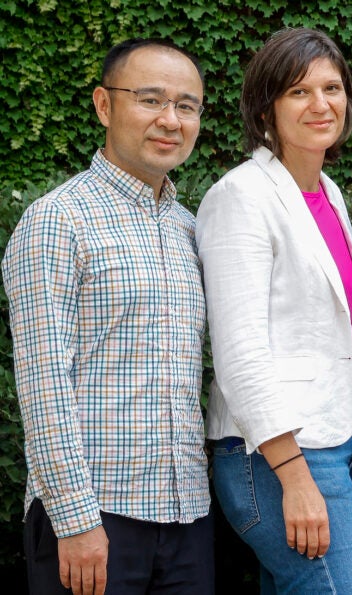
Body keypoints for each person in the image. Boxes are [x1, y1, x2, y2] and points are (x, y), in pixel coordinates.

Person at [2, 39, 212, 594]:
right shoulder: (56, 220)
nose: (171, 120)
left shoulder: (190, 229)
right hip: (95, 517)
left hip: (186, 512)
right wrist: (75, 521)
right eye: (150, 99)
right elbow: (43, 382)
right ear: (103, 105)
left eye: (187, 106)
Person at [196, 28, 352, 593]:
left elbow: (340, 337)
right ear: (266, 107)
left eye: (332, 87)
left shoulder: (326, 191)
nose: (321, 104)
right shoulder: (240, 197)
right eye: (299, 91)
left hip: (334, 443)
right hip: (275, 456)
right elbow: (239, 350)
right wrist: (296, 477)